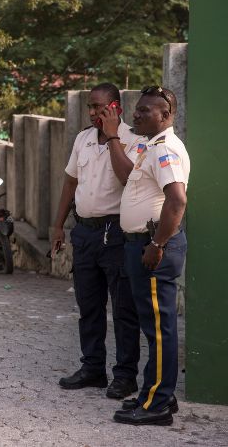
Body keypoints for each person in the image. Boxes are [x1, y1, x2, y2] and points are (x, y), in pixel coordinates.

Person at [51, 82, 145, 400]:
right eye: (90, 107)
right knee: (89, 306)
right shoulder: (83, 140)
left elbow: (128, 178)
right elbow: (70, 183)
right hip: (86, 233)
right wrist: (58, 225)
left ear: (115, 107)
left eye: (100, 107)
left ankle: (125, 376)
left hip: (117, 233)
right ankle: (93, 368)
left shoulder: (134, 140)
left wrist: (114, 134)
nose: (93, 113)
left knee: (123, 309)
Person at [112, 85, 189, 426]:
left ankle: (156, 405)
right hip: (143, 245)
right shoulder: (150, 146)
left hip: (154, 248)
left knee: (159, 329)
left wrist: (156, 245)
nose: (136, 115)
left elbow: (177, 201)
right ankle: (155, 395)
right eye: (137, 109)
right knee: (153, 326)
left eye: (145, 111)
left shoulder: (165, 149)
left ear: (165, 115)